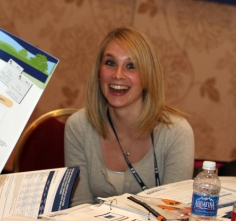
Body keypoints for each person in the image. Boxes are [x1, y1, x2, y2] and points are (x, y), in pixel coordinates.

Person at [65, 27, 194, 206]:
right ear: (98, 72)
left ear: (148, 75)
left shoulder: (176, 133)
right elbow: (79, 206)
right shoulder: (79, 126)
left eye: (131, 66)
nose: (118, 75)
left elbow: (174, 213)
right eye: (110, 63)